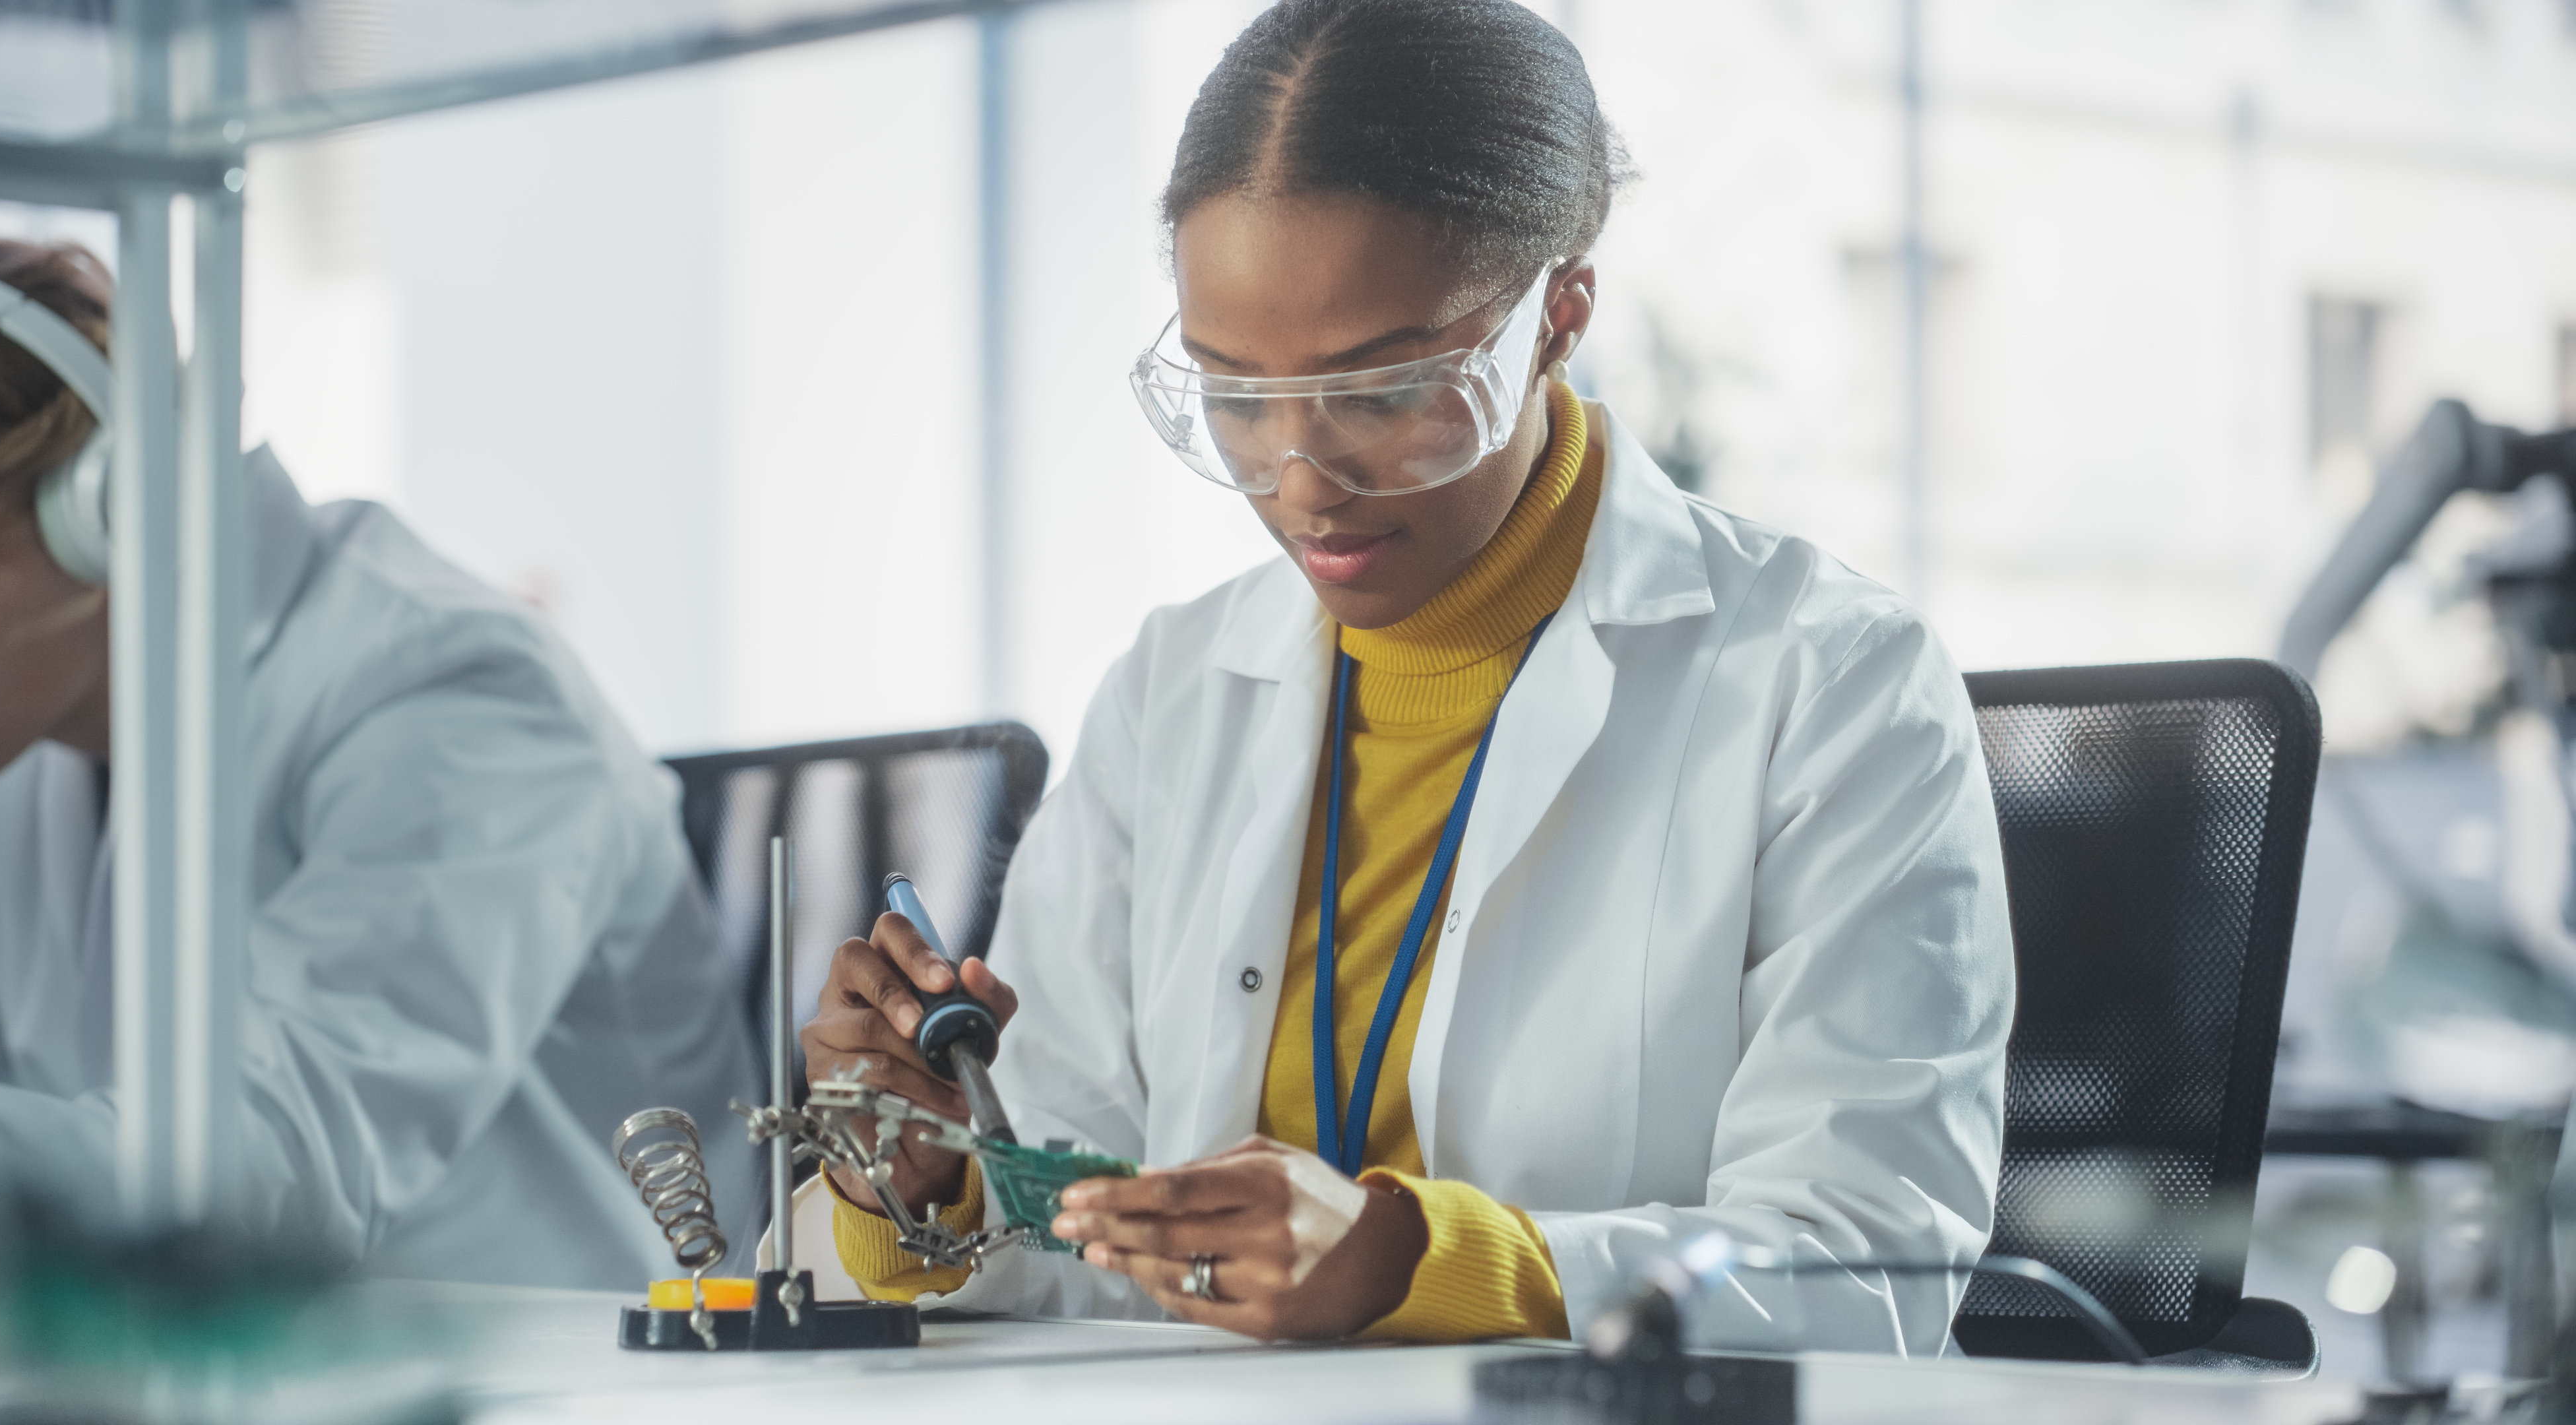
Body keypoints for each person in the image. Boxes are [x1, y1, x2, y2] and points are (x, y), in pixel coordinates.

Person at [804, 0, 2014, 1352]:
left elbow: (1866, 1261)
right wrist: (922, 1173)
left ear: (1556, 315)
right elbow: (1076, 1235)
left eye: (1383, 392)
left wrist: (1410, 1261)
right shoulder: (1176, 689)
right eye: (1237, 398)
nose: (1304, 484)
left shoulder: (1830, 682)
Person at [0, 237, 749, 1287]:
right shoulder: (28, 741)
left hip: (575, 1365)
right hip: (226, 1363)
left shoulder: (450, 694)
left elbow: (279, 1151)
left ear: (112, 513)